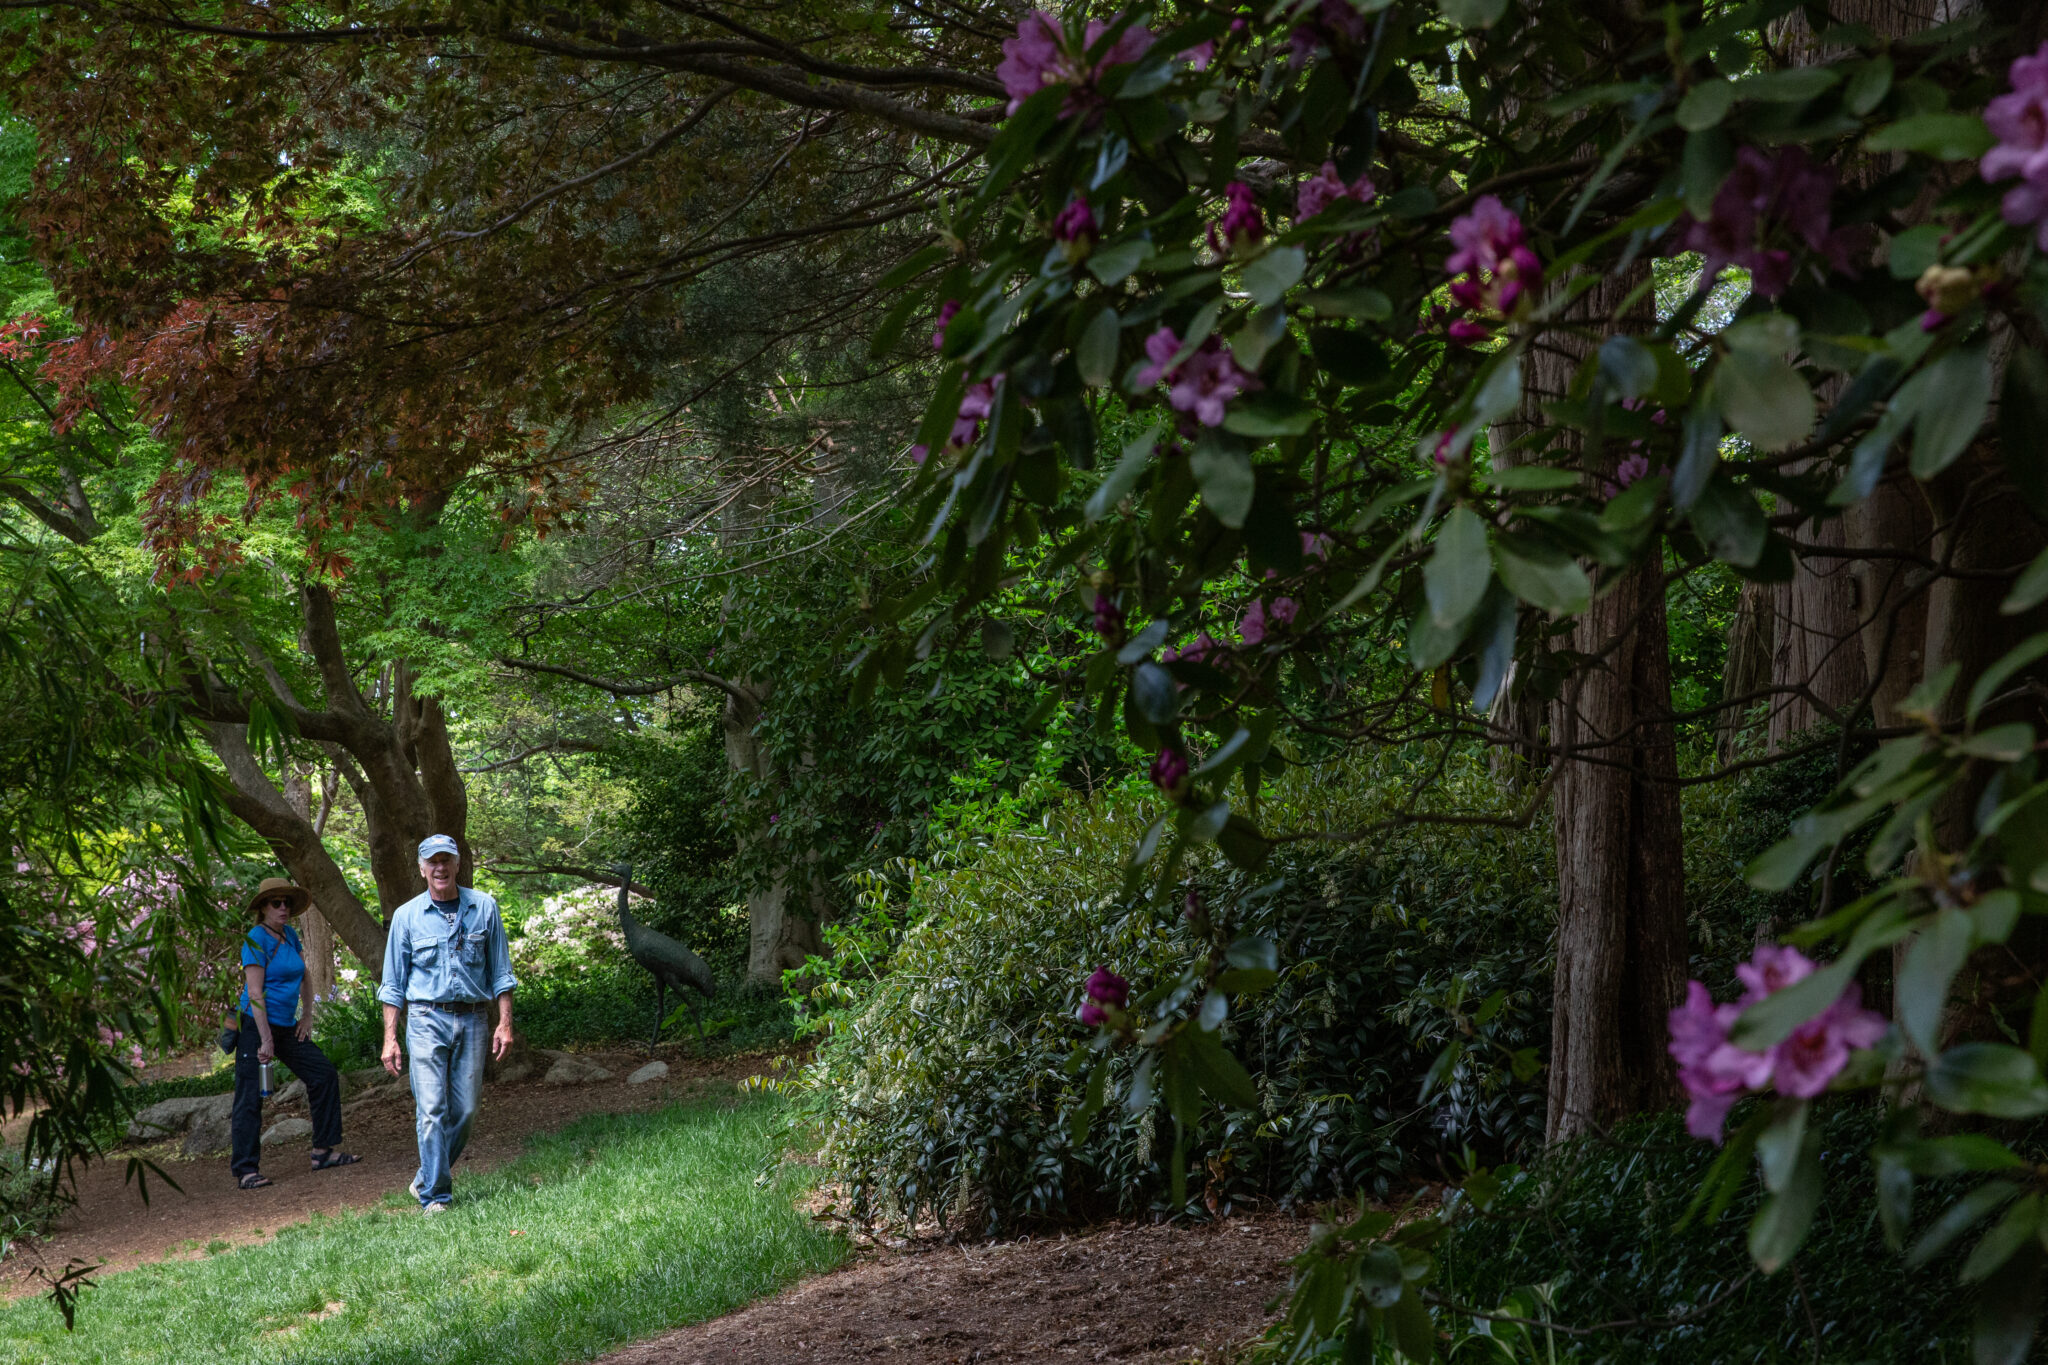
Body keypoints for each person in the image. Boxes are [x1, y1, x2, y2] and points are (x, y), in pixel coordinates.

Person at [378, 834, 517, 1215]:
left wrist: (504, 1023)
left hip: (472, 1018)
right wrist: (390, 1038)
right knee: (431, 1109)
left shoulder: (484, 907)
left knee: (467, 1110)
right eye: (432, 862)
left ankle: (426, 1175)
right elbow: (393, 986)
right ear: (422, 869)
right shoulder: (407, 916)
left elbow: (502, 974)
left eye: (447, 860)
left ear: (458, 865)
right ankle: (436, 1197)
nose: (440, 868)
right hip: (425, 1019)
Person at [231, 877, 358, 1190]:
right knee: (250, 1096)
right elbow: (256, 993)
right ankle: (246, 1170)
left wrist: (308, 1016)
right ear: (263, 908)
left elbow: (305, 975)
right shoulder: (255, 940)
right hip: (255, 1025)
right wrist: (265, 1039)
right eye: (276, 903)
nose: (284, 908)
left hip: (288, 1025)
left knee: (323, 1073)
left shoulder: (289, 935)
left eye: (287, 902)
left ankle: (323, 1152)